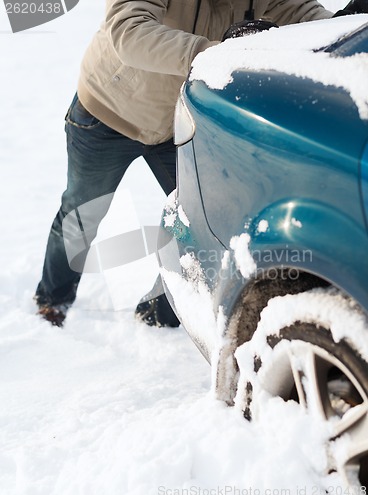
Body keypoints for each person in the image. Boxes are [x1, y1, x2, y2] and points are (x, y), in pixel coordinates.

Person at [34, 0, 366, 327]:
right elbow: (128, 30)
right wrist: (215, 52)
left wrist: (339, 26)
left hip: (175, 120)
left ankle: (160, 310)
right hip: (108, 113)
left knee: (200, 219)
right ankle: (53, 298)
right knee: (83, 214)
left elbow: (298, 11)